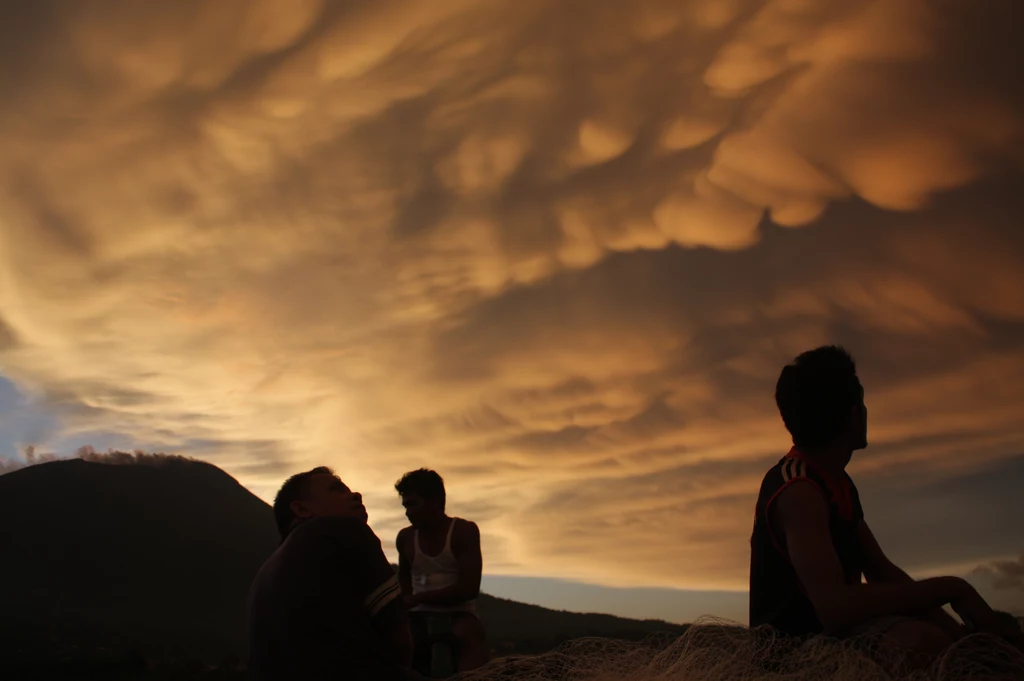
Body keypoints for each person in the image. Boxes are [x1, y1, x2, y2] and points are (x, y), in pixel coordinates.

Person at [749, 346, 1023, 665]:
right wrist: (951, 588)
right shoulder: (799, 490)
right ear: (854, 413)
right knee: (919, 643)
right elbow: (835, 607)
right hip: (792, 655)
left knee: (949, 644)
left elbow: (880, 571)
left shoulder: (836, 483)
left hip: (834, 638)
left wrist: (961, 636)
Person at [248, 467, 416, 681]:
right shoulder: (344, 529)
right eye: (338, 490)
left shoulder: (265, 573)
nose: (356, 494)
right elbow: (399, 638)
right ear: (301, 509)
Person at [395, 468, 489, 673]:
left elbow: (469, 589)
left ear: (436, 501)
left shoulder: (463, 531)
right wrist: (407, 604)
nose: (407, 512)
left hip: (459, 614)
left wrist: (418, 599)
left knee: (468, 636)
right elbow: (404, 580)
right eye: (405, 506)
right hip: (416, 617)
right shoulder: (405, 538)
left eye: (412, 504)